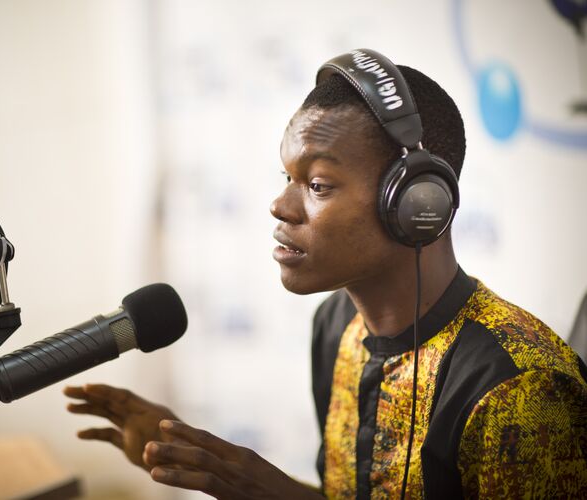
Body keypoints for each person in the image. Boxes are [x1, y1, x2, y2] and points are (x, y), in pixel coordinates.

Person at [63, 50, 587, 499]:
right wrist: (198, 456)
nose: (279, 205)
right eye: (286, 176)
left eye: (316, 184)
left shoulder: (519, 387)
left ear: (416, 203)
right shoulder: (337, 324)